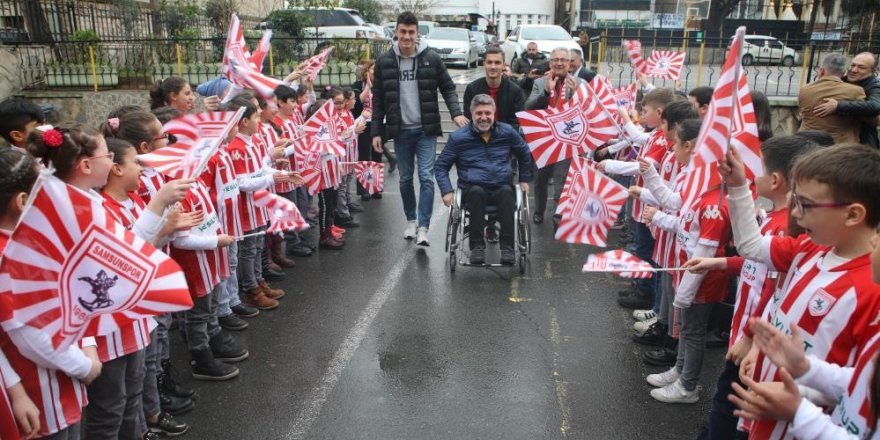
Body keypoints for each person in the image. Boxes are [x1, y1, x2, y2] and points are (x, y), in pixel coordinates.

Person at [722, 144, 880, 439]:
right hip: (770, 409)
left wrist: (798, 399)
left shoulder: (871, 290)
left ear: (853, 214)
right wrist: (738, 185)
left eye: (805, 205)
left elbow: (862, 388)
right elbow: (751, 247)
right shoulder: (811, 248)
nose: (794, 213)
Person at [683, 136, 821, 439]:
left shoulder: (792, 230)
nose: (799, 210)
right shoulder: (785, 226)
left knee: (729, 415)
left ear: (774, 179)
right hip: (749, 338)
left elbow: (775, 292)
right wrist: (719, 264)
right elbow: (754, 259)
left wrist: (752, 339)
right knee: (726, 412)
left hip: (761, 348)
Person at [371, 11, 467, 247]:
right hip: (401, 130)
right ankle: (411, 221)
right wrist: (376, 131)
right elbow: (379, 100)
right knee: (405, 179)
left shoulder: (430, 58)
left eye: (411, 32)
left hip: (426, 130)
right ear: (396, 32)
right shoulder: (384, 62)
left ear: (417, 33)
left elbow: (447, 87)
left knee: (425, 177)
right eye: (402, 31)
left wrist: (455, 113)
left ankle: (423, 227)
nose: (406, 36)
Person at [435, 94, 532, 265]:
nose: (483, 117)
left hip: (501, 187)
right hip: (472, 189)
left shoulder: (507, 132)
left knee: (507, 192)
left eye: (488, 113)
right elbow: (441, 166)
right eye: (479, 113)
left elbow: (525, 153)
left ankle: (508, 248)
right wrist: (446, 191)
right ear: (471, 114)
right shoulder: (458, 138)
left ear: (494, 113)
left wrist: (524, 179)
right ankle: (477, 247)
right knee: (477, 192)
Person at [224, 96, 286, 310]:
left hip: (258, 205)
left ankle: (258, 282)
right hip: (245, 209)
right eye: (256, 117)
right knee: (248, 249)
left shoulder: (255, 141)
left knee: (258, 246)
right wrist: (272, 178)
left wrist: (280, 174)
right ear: (243, 121)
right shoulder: (236, 148)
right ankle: (250, 289)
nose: (259, 121)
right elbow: (242, 183)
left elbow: (260, 168)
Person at [525, 47, 587, 226]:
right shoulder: (540, 82)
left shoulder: (581, 83)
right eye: (555, 59)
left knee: (563, 179)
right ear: (550, 62)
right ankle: (538, 211)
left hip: (568, 139)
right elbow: (528, 106)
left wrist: (575, 95)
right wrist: (545, 92)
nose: (559, 63)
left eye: (563, 60)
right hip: (545, 139)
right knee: (540, 179)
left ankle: (559, 215)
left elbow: (588, 111)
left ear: (569, 63)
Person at [813, 52, 880, 148]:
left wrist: (838, 106)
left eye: (861, 67)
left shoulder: (874, 86)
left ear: (872, 71)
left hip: (862, 140)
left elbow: (875, 106)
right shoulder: (841, 80)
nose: (854, 70)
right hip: (834, 136)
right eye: (853, 65)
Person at [798, 53, 866, 144]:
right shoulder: (856, 91)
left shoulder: (805, 90)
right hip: (841, 148)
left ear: (821, 71)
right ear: (844, 73)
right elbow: (869, 117)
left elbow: (801, 113)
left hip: (807, 143)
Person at [462, 47, 524, 131]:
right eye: (489, 62)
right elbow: (469, 119)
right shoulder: (472, 89)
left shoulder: (515, 91)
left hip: (505, 138)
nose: (493, 66)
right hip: (478, 138)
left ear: (503, 65)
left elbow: (516, 122)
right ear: (484, 64)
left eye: (497, 63)